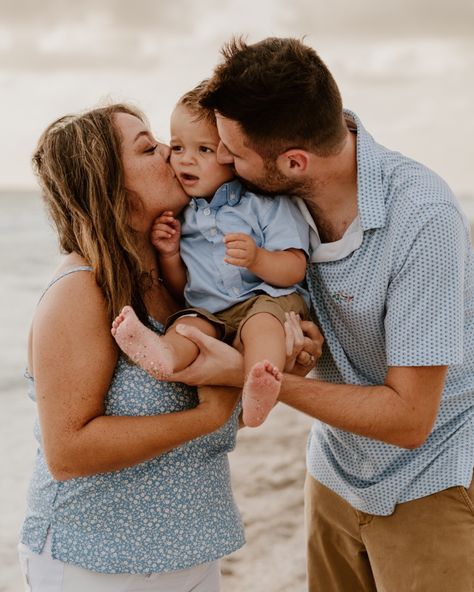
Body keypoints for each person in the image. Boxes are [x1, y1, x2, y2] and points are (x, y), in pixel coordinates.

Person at [168, 37, 473, 591]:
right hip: (334, 471)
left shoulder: (422, 220)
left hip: (429, 480)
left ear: (293, 162)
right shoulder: (276, 200)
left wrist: (259, 379)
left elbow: (410, 419)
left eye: (232, 153)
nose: (224, 162)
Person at [18, 103, 250, 592]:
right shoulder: (81, 291)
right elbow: (68, 450)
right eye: (148, 147)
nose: (170, 149)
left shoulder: (180, 284)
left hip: (192, 553)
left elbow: (229, 399)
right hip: (97, 565)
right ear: (112, 188)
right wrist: (207, 417)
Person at [111, 83, 310, 427]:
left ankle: (261, 384)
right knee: (188, 325)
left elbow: (294, 268)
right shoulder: (183, 214)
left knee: (263, 327)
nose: (185, 159)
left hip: (265, 299)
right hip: (211, 311)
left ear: (231, 156)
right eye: (176, 147)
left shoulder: (263, 205)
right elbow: (182, 287)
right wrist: (171, 255)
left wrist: (257, 259)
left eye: (203, 149)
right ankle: (164, 355)